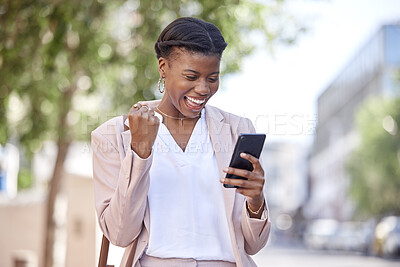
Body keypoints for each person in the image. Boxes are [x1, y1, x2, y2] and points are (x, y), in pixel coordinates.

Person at [92, 17, 271, 267]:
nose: (203, 89)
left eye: (212, 78)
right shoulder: (113, 135)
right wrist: (140, 152)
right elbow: (120, 234)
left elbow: (253, 245)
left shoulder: (237, 131)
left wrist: (256, 201)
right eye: (191, 76)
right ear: (163, 67)